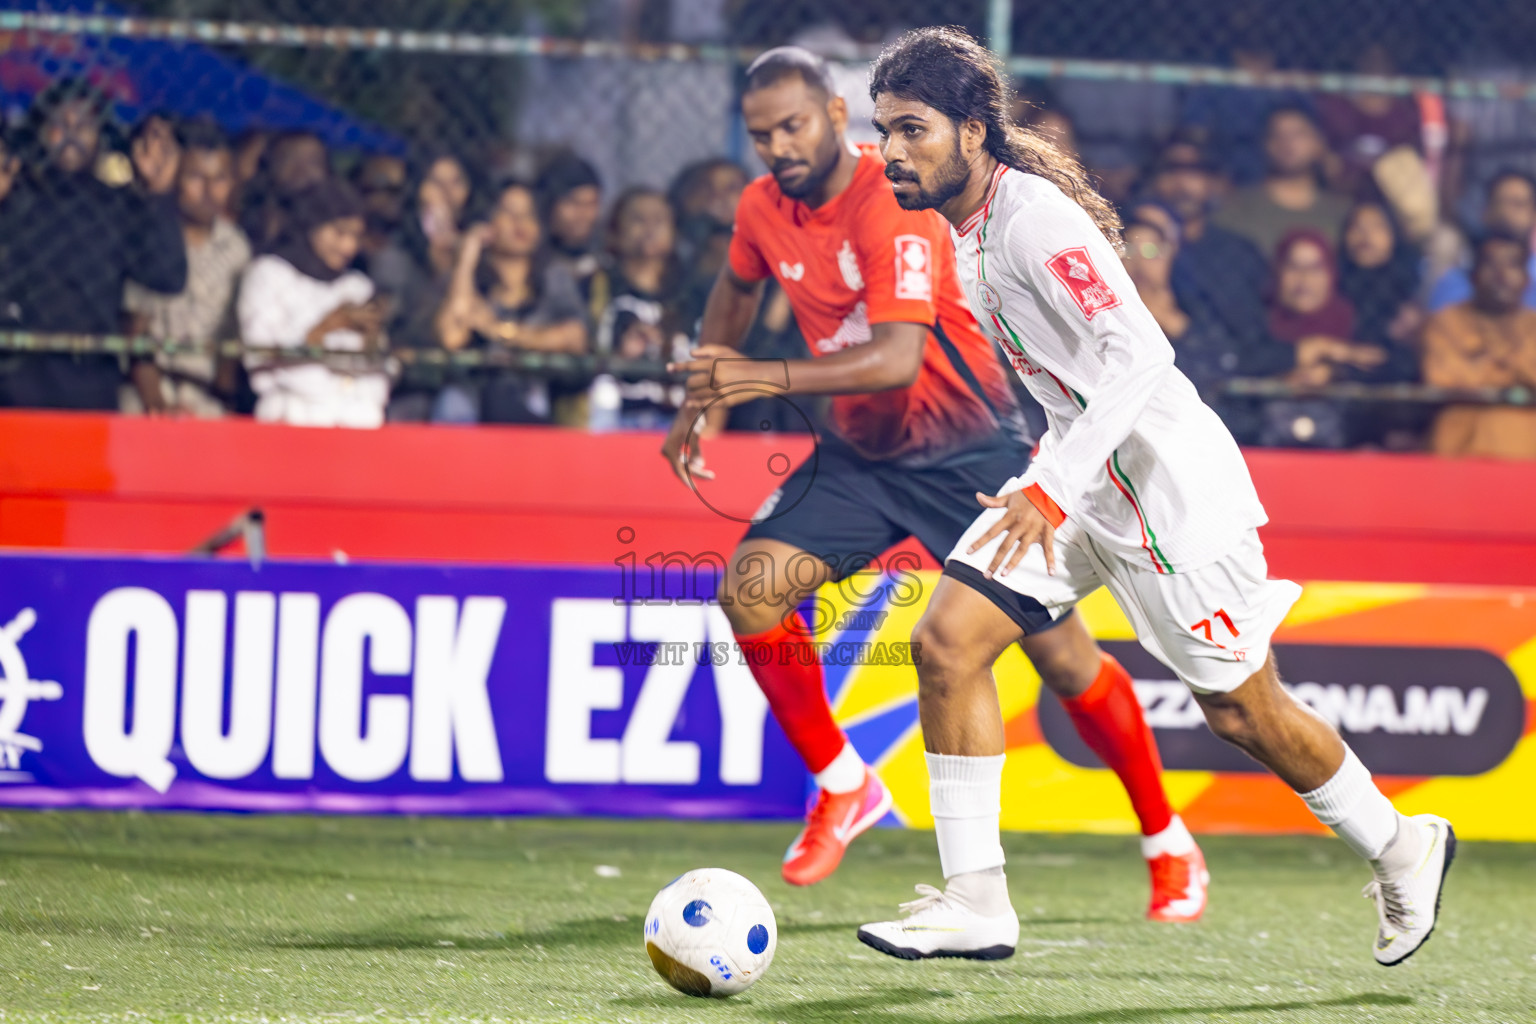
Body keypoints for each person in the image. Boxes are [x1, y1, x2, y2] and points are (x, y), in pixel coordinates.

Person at [861, 26, 1453, 965]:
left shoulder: (1032, 219)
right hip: (1081, 486)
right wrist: (1044, 475)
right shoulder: (963, 230)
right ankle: (977, 902)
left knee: (1242, 711)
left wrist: (1050, 487)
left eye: (911, 129)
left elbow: (1139, 355)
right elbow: (1066, 377)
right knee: (946, 643)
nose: (890, 150)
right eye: (884, 129)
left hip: (1169, 500)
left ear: (974, 131)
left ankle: (1403, 845)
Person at [664, 47, 1205, 920]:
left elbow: (896, 359)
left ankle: (1167, 838)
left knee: (1066, 663)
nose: (777, 148)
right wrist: (703, 398)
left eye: (793, 126)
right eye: (761, 134)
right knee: (751, 590)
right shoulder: (762, 207)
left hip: (969, 456)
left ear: (836, 119)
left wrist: (755, 378)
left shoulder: (893, 199)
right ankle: (845, 786)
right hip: (858, 459)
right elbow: (734, 290)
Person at [0, 78, 187, 410]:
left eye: (84, 124)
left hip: (90, 378)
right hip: (16, 375)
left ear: (100, 136)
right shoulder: (15, 198)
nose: (71, 133)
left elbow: (168, 277)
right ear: (41, 131)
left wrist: (159, 196)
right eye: (59, 123)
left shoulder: (118, 205)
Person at [123, 118, 252, 417]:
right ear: (175, 177)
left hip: (207, 396)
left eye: (219, 179)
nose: (208, 190)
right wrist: (158, 405)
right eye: (195, 176)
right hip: (148, 392)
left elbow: (233, 337)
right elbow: (134, 329)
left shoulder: (237, 247)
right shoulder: (153, 237)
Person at [236, 181, 391, 428]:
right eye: (339, 233)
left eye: (356, 236)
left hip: (355, 420)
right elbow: (258, 356)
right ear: (311, 225)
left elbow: (378, 370)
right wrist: (324, 328)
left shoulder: (357, 286)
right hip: (290, 416)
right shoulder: (268, 274)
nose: (348, 247)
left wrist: (371, 338)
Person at [433, 179, 586, 424]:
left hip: (530, 391)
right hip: (474, 394)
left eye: (529, 215)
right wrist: (467, 258)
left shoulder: (553, 276)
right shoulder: (469, 280)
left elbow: (574, 337)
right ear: (488, 222)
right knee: (453, 402)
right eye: (509, 213)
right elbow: (452, 337)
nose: (520, 223)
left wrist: (501, 332)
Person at [1145, 132, 1273, 356]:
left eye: (1194, 172)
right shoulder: (1132, 248)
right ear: (1155, 180)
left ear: (1213, 182)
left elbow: (1253, 335)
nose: (1182, 183)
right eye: (1171, 170)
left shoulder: (1239, 253)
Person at [1421, 231, 1536, 459]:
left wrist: (1483, 363)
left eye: (1512, 265)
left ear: (1526, 278)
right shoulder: (1445, 322)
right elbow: (1443, 378)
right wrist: (1514, 366)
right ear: (1473, 276)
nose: (1501, 275)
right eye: (1490, 264)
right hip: (1460, 452)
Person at [589, 188, 689, 429]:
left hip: (678, 422)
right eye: (638, 219)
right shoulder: (597, 284)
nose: (650, 229)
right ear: (615, 233)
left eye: (659, 220)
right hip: (612, 420)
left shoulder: (688, 291)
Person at [1212, 105, 1354, 260]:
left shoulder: (1344, 213)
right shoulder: (1236, 207)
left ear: (1318, 143)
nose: (1287, 143)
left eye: (1298, 134)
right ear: (1265, 144)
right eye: (1277, 134)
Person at [1426, 171, 1536, 312]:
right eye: (1498, 203)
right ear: (1484, 212)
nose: (1506, 213)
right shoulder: (1454, 282)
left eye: (1518, 204)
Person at [238, 130, 331, 252]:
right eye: (290, 159)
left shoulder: (333, 226)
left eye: (312, 162)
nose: (303, 171)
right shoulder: (248, 211)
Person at [536, 152, 604, 302]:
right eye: (573, 203)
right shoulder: (534, 265)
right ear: (550, 205)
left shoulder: (606, 262)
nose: (583, 214)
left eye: (591, 204)